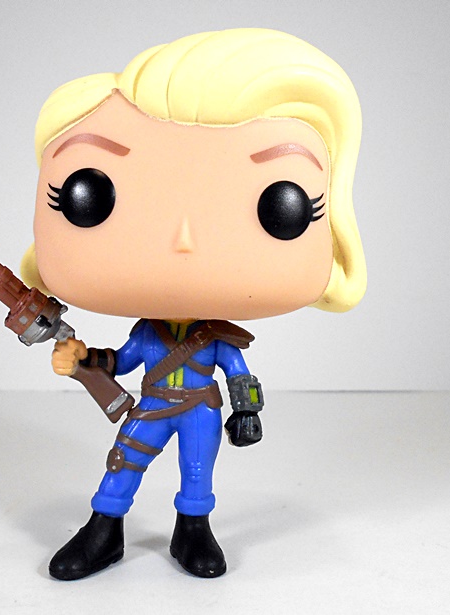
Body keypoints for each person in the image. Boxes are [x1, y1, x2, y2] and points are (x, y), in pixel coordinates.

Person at [20, 28, 366, 580]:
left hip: (202, 408)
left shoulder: (218, 340)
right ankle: (103, 530)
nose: (183, 240)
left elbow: (239, 373)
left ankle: (193, 532)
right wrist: (84, 360)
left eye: (281, 204)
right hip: (152, 405)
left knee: (198, 475)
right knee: (122, 464)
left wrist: (247, 410)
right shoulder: (148, 333)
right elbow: (122, 361)